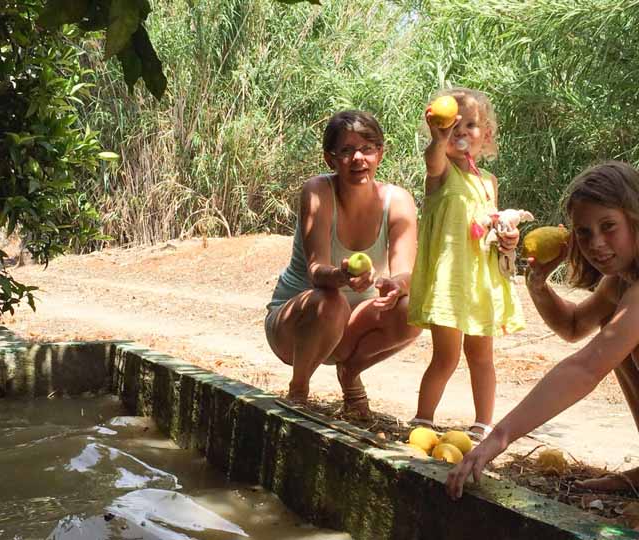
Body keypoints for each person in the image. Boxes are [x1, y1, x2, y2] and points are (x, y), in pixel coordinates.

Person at [446, 161, 639, 499]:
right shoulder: (621, 282)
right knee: (614, 332)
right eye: (584, 232)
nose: (595, 243)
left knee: (616, 341)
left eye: (608, 226)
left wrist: (499, 437)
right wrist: (537, 283)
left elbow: (585, 367)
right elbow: (575, 326)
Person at [264, 110, 421, 418]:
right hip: (294, 330)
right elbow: (317, 272)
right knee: (331, 300)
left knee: (414, 308)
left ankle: (350, 376)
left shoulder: (398, 201)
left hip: (352, 329)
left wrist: (396, 285)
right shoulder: (318, 191)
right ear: (330, 159)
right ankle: (297, 392)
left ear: (380, 153)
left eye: (367, 149)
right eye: (346, 151)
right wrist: (342, 276)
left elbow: (406, 272)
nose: (358, 158)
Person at [407, 88, 524, 440]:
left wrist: (507, 236)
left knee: (481, 354)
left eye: (471, 125)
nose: (461, 132)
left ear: (486, 134)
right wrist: (437, 138)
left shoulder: (489, 182)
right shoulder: (441, 172)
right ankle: (423, 420)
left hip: (481, 278)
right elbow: (432, 159)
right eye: (453, 125)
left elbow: (489, 226)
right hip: (450, 279)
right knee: (446, 355)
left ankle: (483, 424)